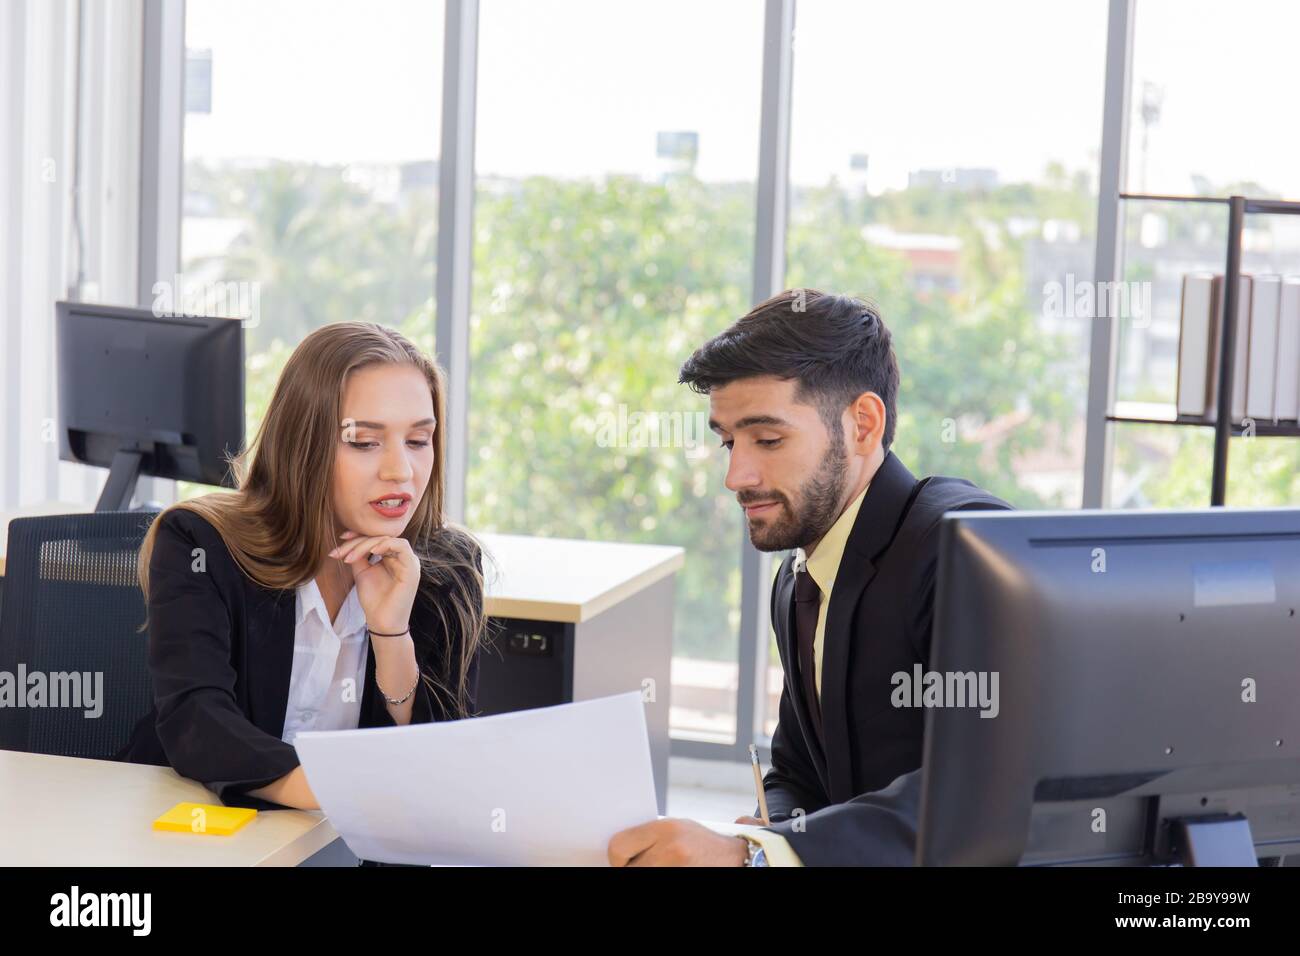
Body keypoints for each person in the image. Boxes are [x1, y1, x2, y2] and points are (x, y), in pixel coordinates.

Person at [609, 289, 1012, 866]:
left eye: (768, 440)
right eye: (729, 442)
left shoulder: (960, 548)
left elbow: (982, 793)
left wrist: (769, 852)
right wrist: (768, 834)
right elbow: (798, 770)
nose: (736, 475)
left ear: (862, 425)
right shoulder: (799, 580)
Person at [120, 322, 486, 811]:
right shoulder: (202, 544)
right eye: (365, 442)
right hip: (202, 838)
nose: (401, 470)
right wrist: (339, 796)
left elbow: (442, 768)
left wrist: (392, 635)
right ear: (304, 444)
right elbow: (197, 720)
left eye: (418, 441)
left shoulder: (446, 569)